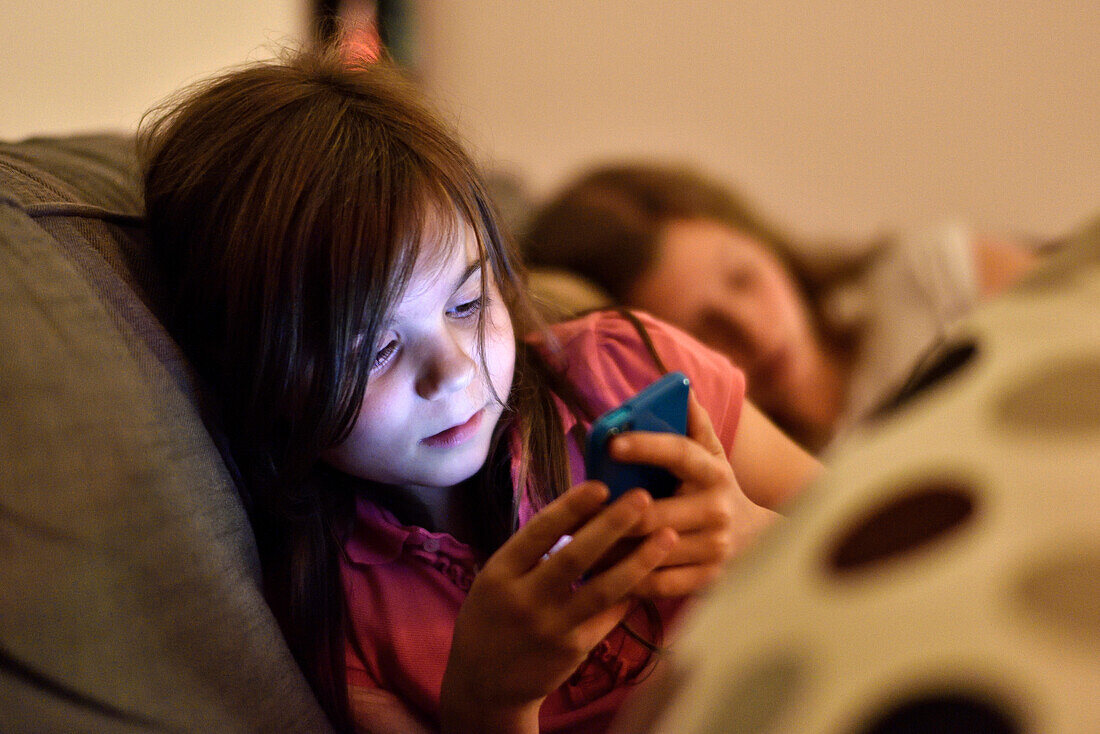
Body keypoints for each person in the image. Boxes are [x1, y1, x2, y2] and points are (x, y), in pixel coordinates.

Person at [139, 49, 820, 734]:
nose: (455, 371)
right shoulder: (332, 610)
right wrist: (489, 702)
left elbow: (880, 527)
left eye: (466, 304)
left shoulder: (629, 367)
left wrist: (759, 535)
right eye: (375, 348)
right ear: (263, 375)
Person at [523, 163, 1039, 452]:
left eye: (744, 277)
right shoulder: (752, 498)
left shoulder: (931, 276)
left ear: (763, 240)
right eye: (703, 332)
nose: (750, 328)